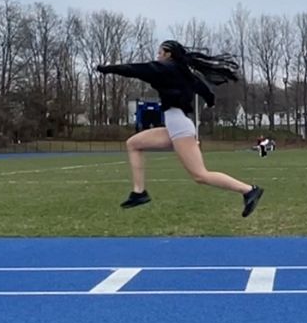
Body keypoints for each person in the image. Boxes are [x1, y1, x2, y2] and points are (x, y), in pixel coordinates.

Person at [97, 40, 263, 216]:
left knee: (200, 175)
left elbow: (134, 69)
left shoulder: (165, 68)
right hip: (175, 126)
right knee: (133, 144)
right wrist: (210, 99)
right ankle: (139, 193)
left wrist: (107, 69)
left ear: (168, 54)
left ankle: (249, 190)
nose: (158, 56)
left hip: (179, 128)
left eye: (160, 52)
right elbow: (202, 88)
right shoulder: (183, 72)